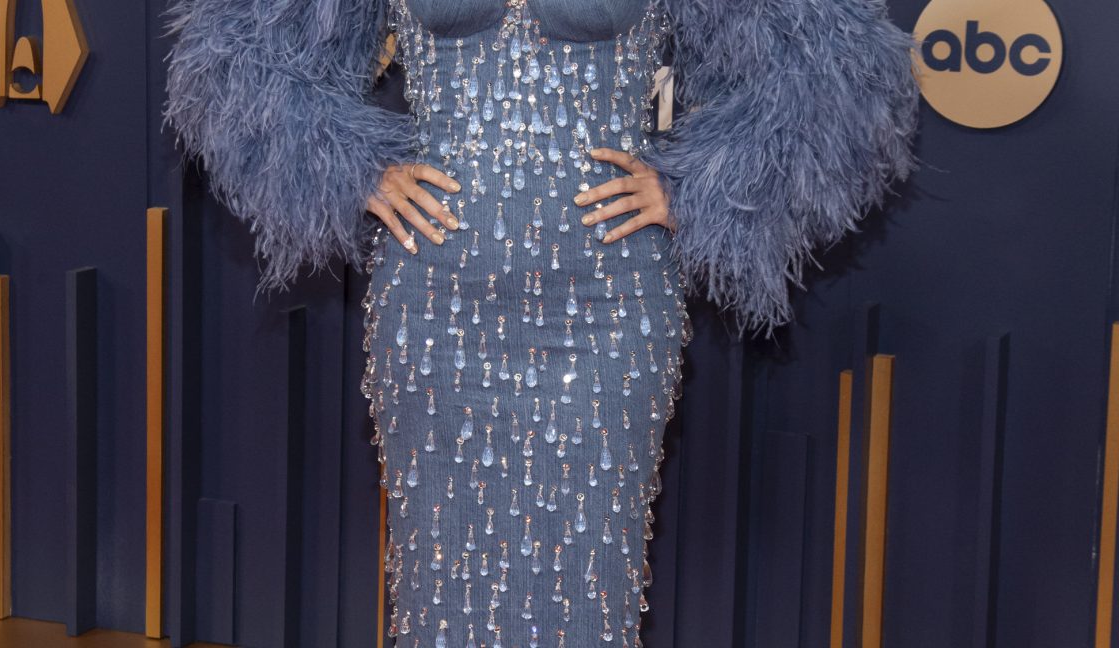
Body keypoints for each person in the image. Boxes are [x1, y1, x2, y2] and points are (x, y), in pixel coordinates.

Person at [162, 0, 919, 645]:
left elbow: (838, 68)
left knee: (590, 580)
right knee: (439, 573)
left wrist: (701, 186)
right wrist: (347, 166)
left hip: (608, 304)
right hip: (433, 299)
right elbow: (233, 54)